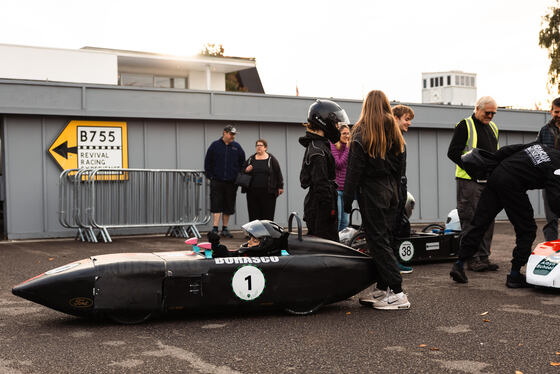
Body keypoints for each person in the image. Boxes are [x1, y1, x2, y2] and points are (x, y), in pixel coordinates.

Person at [449, 143, 560, 288]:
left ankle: (459, 264)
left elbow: (506, 150)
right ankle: (514, 275)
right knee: (527, 229)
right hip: (512, 185)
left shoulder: (541, 146)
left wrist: (494, 164)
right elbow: (555, 202)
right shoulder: (557, 167)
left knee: (479, 223)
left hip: (497, 176)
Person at [343, 90, 410, 310]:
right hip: (392, 191)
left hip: (372, 193)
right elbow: (400, 169)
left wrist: (347, 199)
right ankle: (384, 289)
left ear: (366, 105)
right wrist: (399, 197)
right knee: (385, 239)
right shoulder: (395, 131)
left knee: (378, 242)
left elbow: (354, 170)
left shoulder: (361, 131)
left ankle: (398, 293)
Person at [447, 96, 500, 272]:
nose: (491, 116)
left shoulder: (493, 128)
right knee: (471, 220)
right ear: (477, 109)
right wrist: (472, 168)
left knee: (488, 219)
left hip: (488, 182)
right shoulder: (465, 125)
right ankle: (472, 259)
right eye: (488, 112)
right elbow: (453, 152)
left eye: (493, 113)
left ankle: (483, 258)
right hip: (469, 182)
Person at [300, 99, 349, 241]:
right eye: (335, 123)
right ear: (324, 122)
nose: (336, 127)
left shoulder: (319, 145)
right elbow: (320, 184)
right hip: (321, 210)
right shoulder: (318, 151)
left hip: (320, 207)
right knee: (326, 247)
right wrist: (330, 212)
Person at [204, 125, 246, 238]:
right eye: (231, 134)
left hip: (231, 182)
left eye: (234, 134)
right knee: (216, 203)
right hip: (217, 181)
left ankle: (225, 228)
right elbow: (208, 162)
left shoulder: (237, 147)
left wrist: (238, 176)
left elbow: (243, 163)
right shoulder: (215, 146)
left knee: (228, 205)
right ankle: (215, 228)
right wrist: (210, 176)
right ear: (225, 133)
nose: (233, 136)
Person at [392, 104, 415, 274]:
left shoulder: (398, 139)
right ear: (396, 119)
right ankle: (393, 263)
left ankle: (395, 261)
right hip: (393, 190)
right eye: (407, 119)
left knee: (401, 224)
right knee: (393, 227)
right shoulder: (392, 140)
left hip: (399, 187)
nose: (409, 123)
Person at [241, 139, 284, 221]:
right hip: (252, 192)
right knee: (253, 214)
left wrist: (280, 187)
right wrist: (246, 170)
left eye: (261, 145)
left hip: (268, 192)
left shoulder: (271, 159)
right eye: (257, 145)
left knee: (268, 214)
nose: (258, 147)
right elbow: (242, 171)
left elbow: (278, 173)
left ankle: (267, 233)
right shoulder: (251, 159)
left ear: (265, 147)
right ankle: (255, 233)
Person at [536, 97, 560, 241]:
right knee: (551, 219)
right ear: (551, 112)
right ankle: (552, 253)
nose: (559, 115)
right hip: (550, 181)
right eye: (556, 112)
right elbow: (537, 152)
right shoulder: (544, 131)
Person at [207, 219, 287, 257]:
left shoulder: (273, 260)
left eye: (254, 240)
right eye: (250, 239)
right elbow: (230, 255)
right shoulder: (247, 254)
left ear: (267, 244)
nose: (249, 242)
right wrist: (216, 246)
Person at [331, 124, 350, 231]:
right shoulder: (333, 146)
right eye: (344, 133)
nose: (347, 136)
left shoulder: (349, 148)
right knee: (337, 220)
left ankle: (343, 243)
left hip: (346, 190)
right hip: (337, 190)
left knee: (345, 221)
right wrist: (347, 150)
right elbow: (338, 164)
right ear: (338, 134)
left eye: (348, 133)